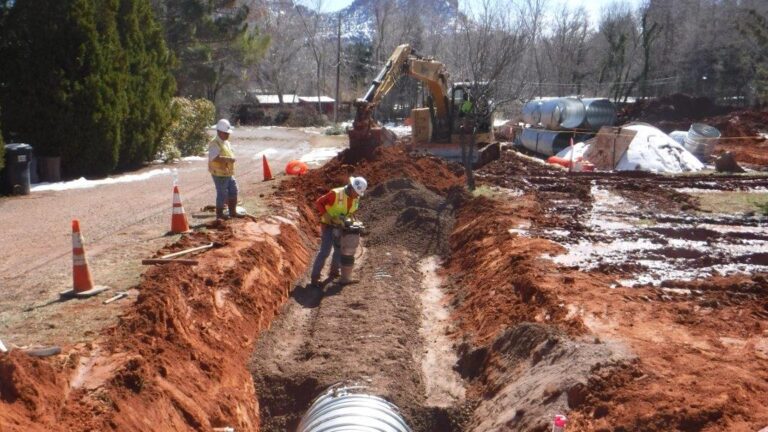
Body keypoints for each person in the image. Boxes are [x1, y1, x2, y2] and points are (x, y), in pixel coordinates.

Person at [310, 176, 368, 287]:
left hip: (341, 227)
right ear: (351, 188)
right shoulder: (335, 194)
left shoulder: (356, 197)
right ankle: (315, 278)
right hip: (329, 225)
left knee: (338, 250)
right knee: (325, 252)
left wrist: (351, 221)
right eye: (356, 193)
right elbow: (319, 202)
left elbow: (350, 212)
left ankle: (334, 273)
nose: (357, 195)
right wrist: (328, 216)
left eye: (358, 194)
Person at [208, 119, 243, 220]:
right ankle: (219, 215)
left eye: (228, 133)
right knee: (222, 193)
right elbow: (214, 157)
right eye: (226, 133)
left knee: (234, 190)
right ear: (219, 131)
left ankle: (233, 212)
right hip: (219, 174)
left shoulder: (225, 142)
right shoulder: (214, 143)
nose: (228, 135)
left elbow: (229, 153)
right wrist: (229, 159)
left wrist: (231, 159)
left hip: (227, 172)